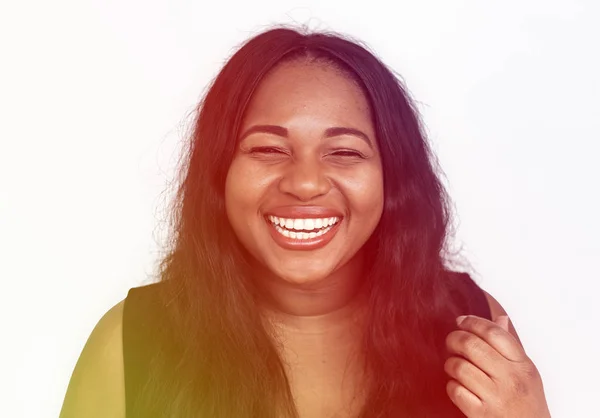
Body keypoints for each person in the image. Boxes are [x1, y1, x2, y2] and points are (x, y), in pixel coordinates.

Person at [60, 27, 551, 418]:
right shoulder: (127, 345)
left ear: (392, 177)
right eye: (269, 149)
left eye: (343, 152)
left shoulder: (472, 328)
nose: (306, 183)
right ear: (219, 174)